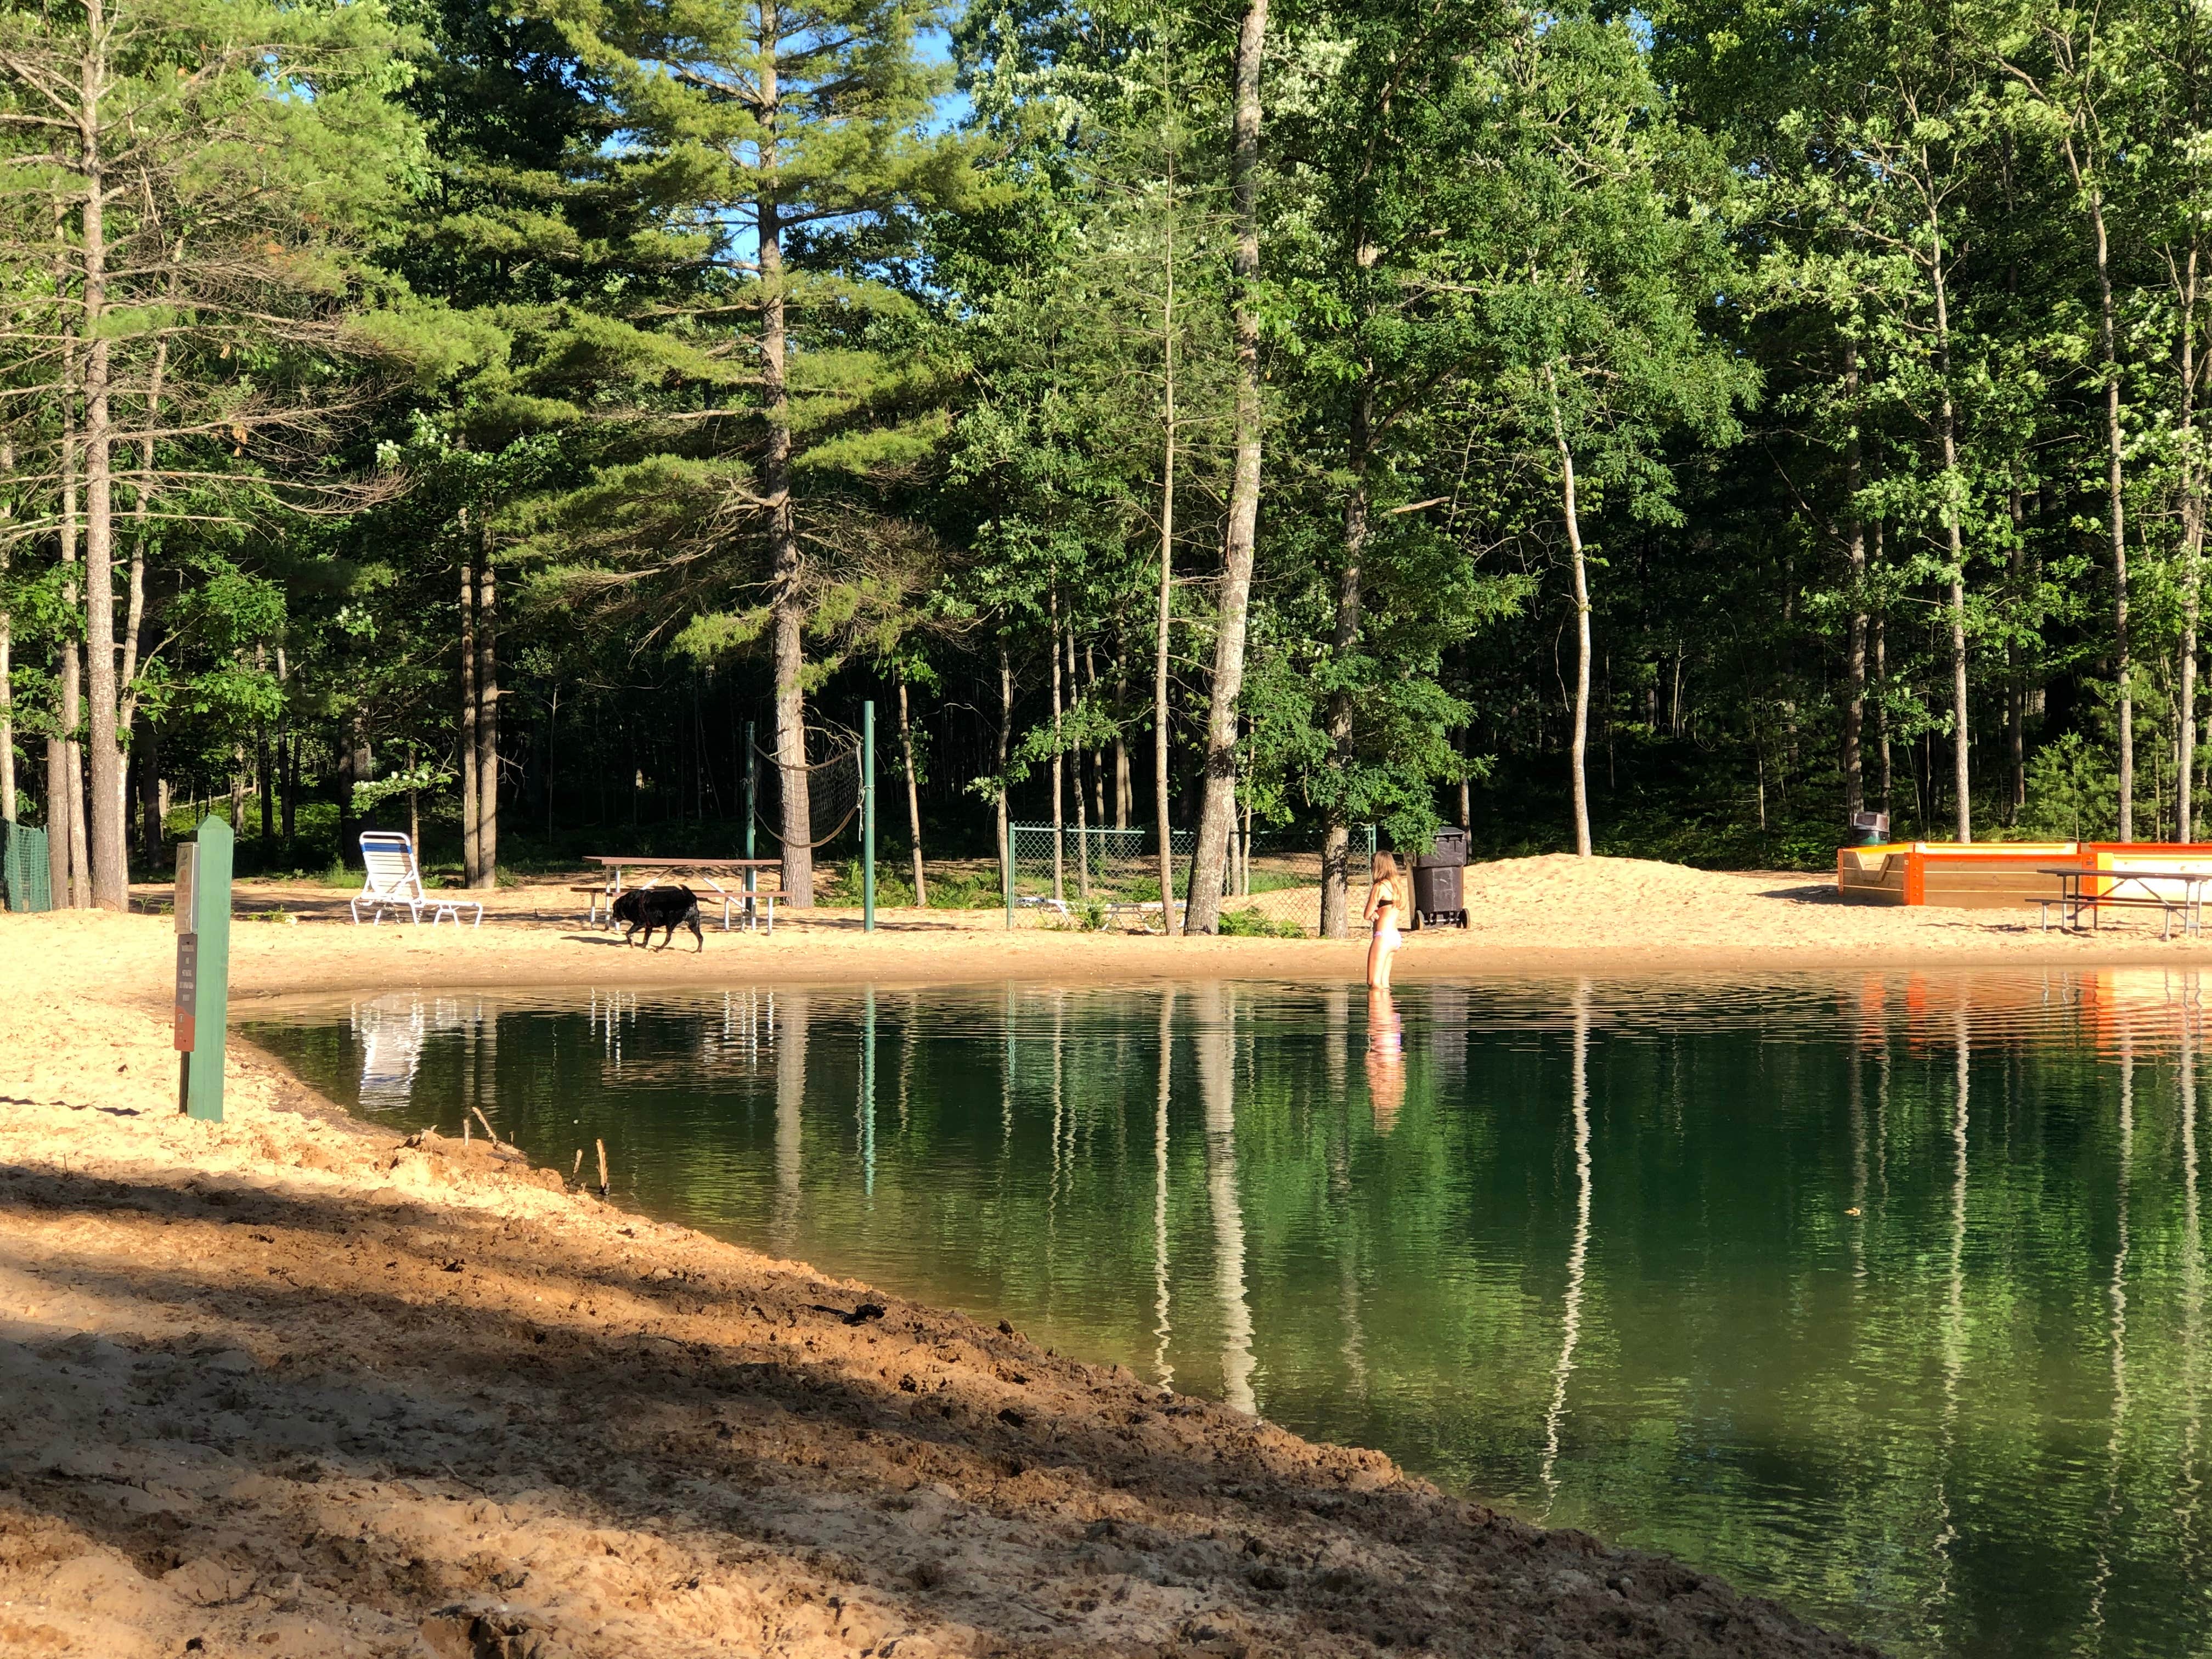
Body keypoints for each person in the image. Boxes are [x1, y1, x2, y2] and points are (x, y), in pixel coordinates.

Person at [1363, 850, 1404, 990]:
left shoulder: (1379, 887)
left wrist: (1373, 913)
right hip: (1395, 937)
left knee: (1373, 982)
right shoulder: (1397, 886)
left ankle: (1376, 1010)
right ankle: (1389, 1011)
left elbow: (1367, 914)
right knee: (1384, 984)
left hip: (1383, 937)